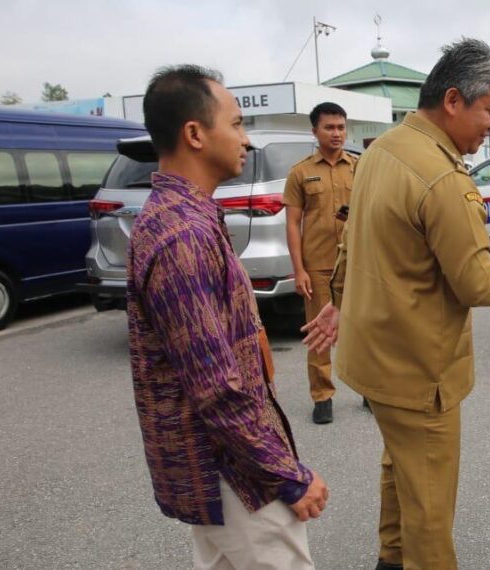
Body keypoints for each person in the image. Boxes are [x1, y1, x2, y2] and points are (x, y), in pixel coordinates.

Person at [303, 38, 490, 570]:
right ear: (453, 100)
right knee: (429, 504)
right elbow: (477, 283)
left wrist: (339, 301)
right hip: (418, 368)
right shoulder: (442, 178)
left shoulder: (383, 149)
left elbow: (350, 243)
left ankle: (391, 559)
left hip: (378, 362)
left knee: (401, 472)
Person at [126, 65, 327, 569]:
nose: (246, 139)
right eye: (236, 124)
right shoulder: (183, 235)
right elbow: (215, 386)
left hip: (218, 468)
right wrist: (287, 475)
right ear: (195, 134)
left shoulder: (188, 217)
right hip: (233, 475)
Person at [283, 101, 356, 425]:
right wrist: (299, 270)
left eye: (341, 127)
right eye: (329, 127)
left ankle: (368, 387)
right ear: (315, 132)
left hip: (356, 263)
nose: (337, 133)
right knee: (320, 334)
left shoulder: (358, 167)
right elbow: (292, 223)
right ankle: (322, 396)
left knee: (363, 330)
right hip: (320, 265)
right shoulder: (300, 172)